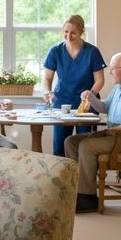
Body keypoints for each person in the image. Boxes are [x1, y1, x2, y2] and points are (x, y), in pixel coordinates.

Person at [65, 52, 121, 213]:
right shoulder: (119, 88)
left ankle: (88, 197)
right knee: (71, 141)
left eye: (113, 68)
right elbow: (104, 108)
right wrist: (91, 97)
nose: (110, 72)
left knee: (86, 146)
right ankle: (77, 191)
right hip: (116, 134)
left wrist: (111, 131)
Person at [42, 15, 106, 156]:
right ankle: (62, 178)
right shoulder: (55, 51)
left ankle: (83, 178)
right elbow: (47, 78)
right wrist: (47, 92)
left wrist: (91, 94)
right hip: (62, 103)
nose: (68, 36)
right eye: (66, 32)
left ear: (81, 32)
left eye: (73, 33)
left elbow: (100, 79)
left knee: (85, 147)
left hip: (86, 106)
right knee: (60, 147)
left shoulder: (92, 52)